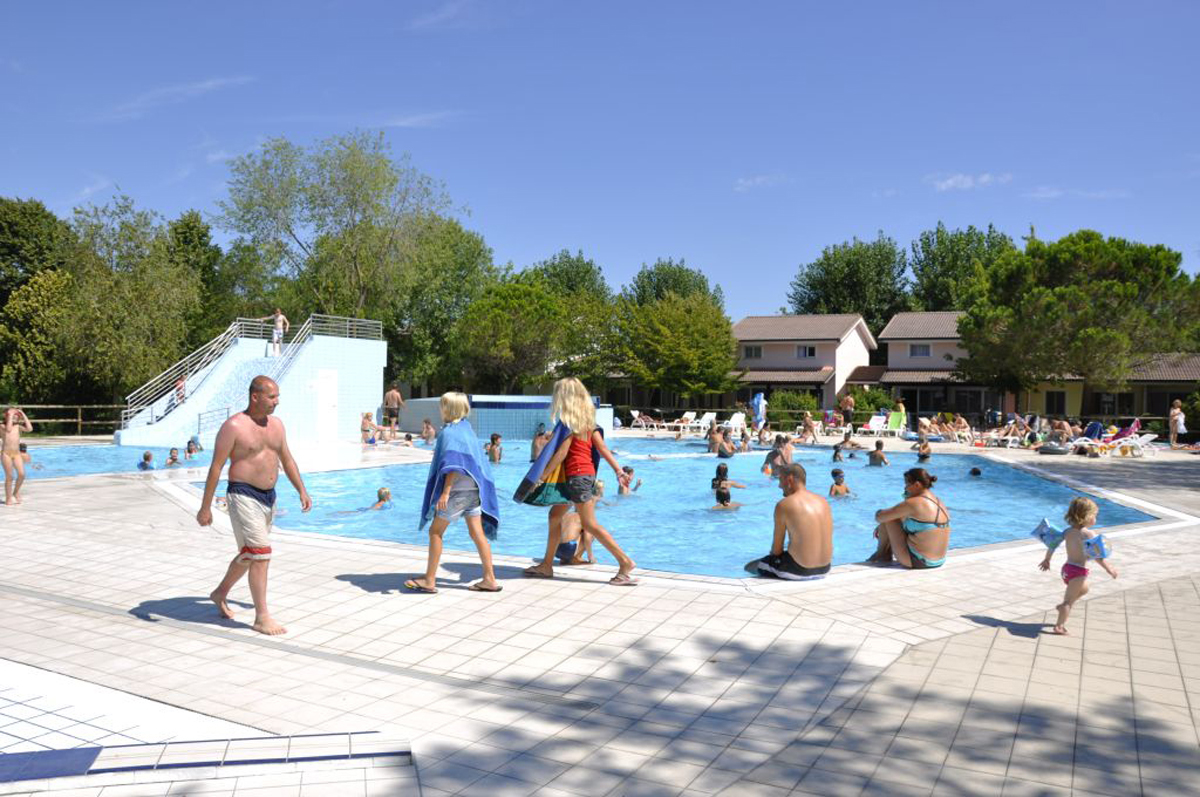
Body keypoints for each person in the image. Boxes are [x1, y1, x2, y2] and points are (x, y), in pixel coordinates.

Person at [197, 376, 312, 635]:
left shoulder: (277, 425)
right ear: (255, 397)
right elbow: (216, 467)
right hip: (242, 494)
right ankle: (262, 617)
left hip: (269, 497)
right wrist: (205, 508)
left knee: (251, 554)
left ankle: (220, 593)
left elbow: (287, 459)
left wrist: (301, 490)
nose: (277, 401)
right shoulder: (234, 426)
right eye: (272, 397)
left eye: (277, 396)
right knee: (261, 553)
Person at [523, 377, 637, 585]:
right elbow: (602, 448)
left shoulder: (568, 423)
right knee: (554, 515)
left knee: (589, 524)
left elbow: (561, 454)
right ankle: (546, 565)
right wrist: (618, 471)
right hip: (584, 476)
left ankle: (625, 562)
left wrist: (541, 478)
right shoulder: (588, 422)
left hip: (576, 478)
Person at [405, 393, 502, 593]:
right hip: (474, 490)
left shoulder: (450, 433)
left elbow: (453, 465)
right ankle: (490, 579)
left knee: (435, 532)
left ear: (449, 409)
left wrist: (445, 492)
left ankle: (429, 580)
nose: (440, 409)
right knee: (477, 534)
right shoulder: (468, 430)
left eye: (443, 405)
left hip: (456, 492)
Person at [1039, 497, 1118, 635]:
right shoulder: (1088, 534)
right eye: (1095, 515)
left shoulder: (1067, 531)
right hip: (1078, 571)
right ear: (1087, 516)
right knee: (1068, 602)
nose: (1095, 518)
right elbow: (1097, 556)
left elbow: (1052, 545)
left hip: (1067, 569)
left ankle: (1063, 607)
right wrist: (1108, 568)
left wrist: (1047, 559)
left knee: (1085, 589)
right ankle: (1059, 625)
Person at [751, 463, 833, 579]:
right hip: (825, 569)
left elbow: (777, 550)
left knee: (760, 564)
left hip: (799, 571)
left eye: (780, 480)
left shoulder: (784, 505)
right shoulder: (823, 501)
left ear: (789, 479)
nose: (779, 486)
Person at [867, 468, 951, 569]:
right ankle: (882, 554)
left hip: (919, 561)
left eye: (907, 484)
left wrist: (879, 512)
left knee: (889, 519)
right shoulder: (938, 501)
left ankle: (881, 554)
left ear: (917, 485)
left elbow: (879, 518)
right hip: (939, 560)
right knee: (896, 517)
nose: (905, 488)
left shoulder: (914, 503)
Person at [2, 407, 33, 505]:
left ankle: (15, 492)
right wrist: (11, 415)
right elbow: (8, 430)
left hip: (16, 454)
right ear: (6, 416)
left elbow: (29, 429)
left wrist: (23, 413)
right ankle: (8, 497)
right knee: (10, 477)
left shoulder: (17, 426)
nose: (15, 417)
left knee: (21, 474)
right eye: (12, 415)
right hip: (6, 454)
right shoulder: (2, 426)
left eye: (16, 415)